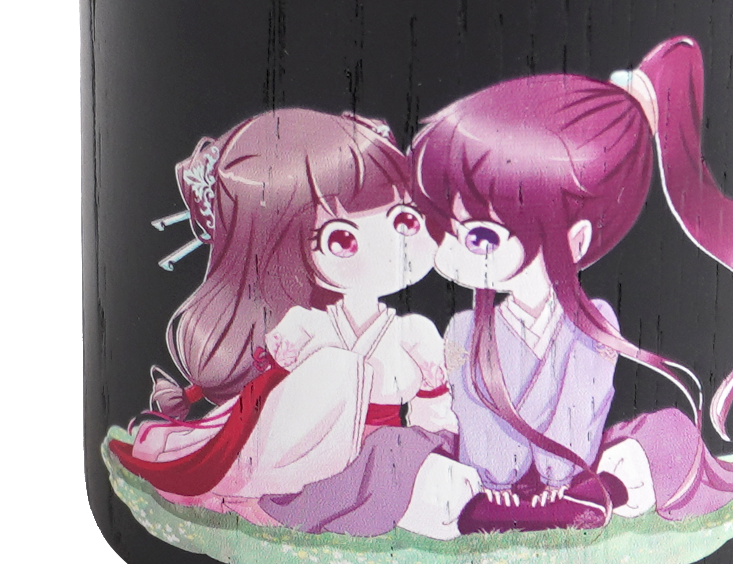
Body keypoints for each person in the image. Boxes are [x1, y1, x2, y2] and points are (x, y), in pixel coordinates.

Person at [410, 36, 733, 533]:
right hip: (488, 482)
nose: (448, 252)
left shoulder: (594, 323)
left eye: (479, 236)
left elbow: (576, 430)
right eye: (445, 229)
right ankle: (500, 510)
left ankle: (595, 496)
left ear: (576, 240)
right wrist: (499, 483)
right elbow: (484, 445)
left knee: (667, 433)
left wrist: (562, 483)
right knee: (408, 458)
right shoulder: (463, 330)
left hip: (573, 473)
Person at [108, 108, 480, 540]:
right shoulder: (305, 326)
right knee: (337, 370)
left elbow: (434, 418)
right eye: (342, 238)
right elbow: (268, 410)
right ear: (287, 250)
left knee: (434, 486)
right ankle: (272, 497)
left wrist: (429, 432)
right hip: (304, 468)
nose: (391, 244)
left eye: (405, 219)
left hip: (385, 458)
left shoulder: (413, 334)